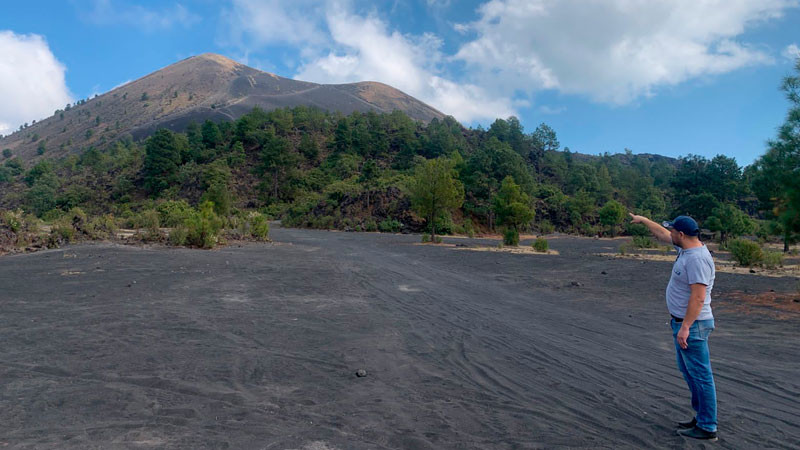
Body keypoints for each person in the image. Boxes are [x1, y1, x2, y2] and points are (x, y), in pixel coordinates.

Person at [629, 213, 718, 441]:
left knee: (701, 376)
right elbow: (660, 233)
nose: (669, 234)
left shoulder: (696, 259)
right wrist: (643, 220)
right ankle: (700, 418)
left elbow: (698, 298)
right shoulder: (687, 249)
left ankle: (707, 426)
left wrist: (686, 327)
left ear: (681, 234)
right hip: (683, 323)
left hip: (693, 326)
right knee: (690, 373)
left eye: (673, 231)